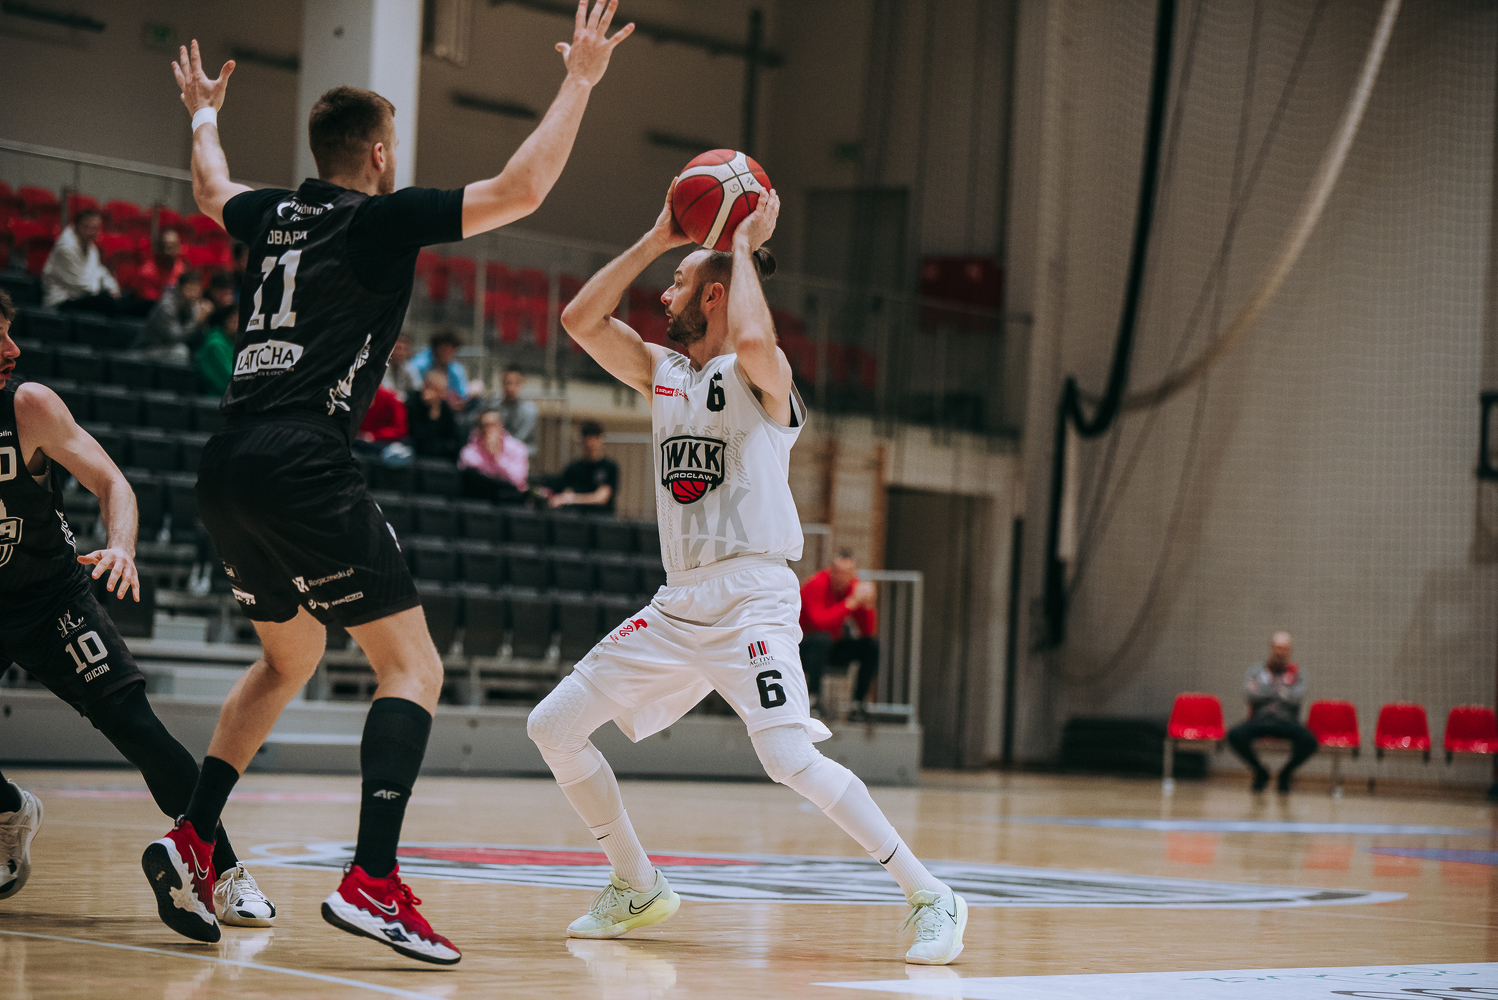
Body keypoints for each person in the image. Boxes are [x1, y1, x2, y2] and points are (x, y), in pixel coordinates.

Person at [147, 10, 633, 962]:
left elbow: (209, 190)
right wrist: (579, 80)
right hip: (303, 460)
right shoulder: (380, 218)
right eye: (393, 145)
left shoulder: (274, 215)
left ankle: (194, 835)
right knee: (413, 669)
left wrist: (205, 113)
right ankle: (372, 879)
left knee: (289, 659)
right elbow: (522, 189)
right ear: (378, 153)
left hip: (227, 461)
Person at [530, 182, 967, 965]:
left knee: (787, 759)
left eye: (678, 283)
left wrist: (736, 244)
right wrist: (660, 237)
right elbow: (578, 320)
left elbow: (758, 338)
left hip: (753, 600)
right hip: (679, 604)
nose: (664, 294)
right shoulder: (663, 372)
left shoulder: (762, 377)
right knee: (551, 727)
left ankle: (932, 895)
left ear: (717, 296)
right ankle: (637, 885)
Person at [0, 290, 273, 925]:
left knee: (137, 729)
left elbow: (112, 482)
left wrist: (121, 546)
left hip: (50, 598)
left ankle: (224, 870)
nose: (13, 348)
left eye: (11, 332)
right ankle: (11, 809)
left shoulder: (28, 406)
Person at [1226, 631, 1319, 793]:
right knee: (1234, 735)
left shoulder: (1298, 673)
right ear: (1271, 648)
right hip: (1260, 720)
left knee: (1309, 741)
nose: (1279, 652)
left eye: (1283, 649)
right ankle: (1260, 771)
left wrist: (1266, 691)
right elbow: (1250, 694)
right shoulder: (1256, 671)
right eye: (1277, 648)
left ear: (1289, 650)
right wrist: (1282, 691)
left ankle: (1285, 773)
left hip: (1287, 722)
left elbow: (1296, 698)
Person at [799, 549, 880, 716]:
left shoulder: (853, 588)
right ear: (831, 571)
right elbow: (818, 622)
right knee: (822, 639)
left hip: (831, 646)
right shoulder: (816, 584)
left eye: (845, 573)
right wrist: (849, 604)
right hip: (804, 646)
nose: (840, 578)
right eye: (837, 572)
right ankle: (814, 698)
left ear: (852, 574)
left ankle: (858, 704)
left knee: (871, 647)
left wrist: (868, 606)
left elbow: (867, 631)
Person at [41, 208, 120, 314]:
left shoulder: (91, 248)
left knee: (123, 301)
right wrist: (105, 292)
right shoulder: (66, 247)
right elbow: (82, 286)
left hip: (81, 299)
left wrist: (113, 289)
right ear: (77, 227)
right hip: (60, 303)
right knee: (106, 302)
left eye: (95, 228)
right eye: (86, 227)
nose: (92, 232)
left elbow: (101, 272)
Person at [536, 420, 618, 515]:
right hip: (575, 518)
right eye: (587, 440)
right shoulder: (573, 468)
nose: (590, 444)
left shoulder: (609, 468)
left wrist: (572, 498)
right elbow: (563, 489)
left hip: (601, 518)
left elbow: (601, 498)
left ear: (600, 439)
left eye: (594, 439)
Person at [458, 409, 528, 502]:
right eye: (484, 426)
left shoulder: (517, 448)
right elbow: (465, 473)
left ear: (501, 425)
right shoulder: (470, 451)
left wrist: (498, 458)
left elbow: (518, 478)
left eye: (492, 425)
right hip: (480, 498)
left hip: (508, 498)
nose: (488, 430)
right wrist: (486, 450)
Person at [140, 268, 210, 358]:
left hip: (168, 350)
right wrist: (197, 321)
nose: (194, 294)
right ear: (180, 289)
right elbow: (175, 338)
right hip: (148, 350)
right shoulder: (167, 307)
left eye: (197, 290)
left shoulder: (194, 307)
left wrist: (204, 323)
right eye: (190, 289)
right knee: (180, 352)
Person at [411, 328, 476, 411]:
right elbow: (416, 391)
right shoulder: (419, 365)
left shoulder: (456, 370)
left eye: (451, 350)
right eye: (444, 349)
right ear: (435, 348)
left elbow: (462, 395)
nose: (448, 353)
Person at [406, 369, 463, 459]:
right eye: (427, 387)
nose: (427, 392)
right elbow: (419, 438)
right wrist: (432, 415)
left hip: (441, 457)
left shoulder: (445, 408)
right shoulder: (413, 403)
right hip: (418, 454)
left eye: (434, 389)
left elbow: (455, 439)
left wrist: (435, 409)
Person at [195, 302, 238, 396]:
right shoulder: (215, 345)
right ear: (226, 320)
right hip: (215, 399)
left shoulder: (239, 344)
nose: (237, 325)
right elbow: (228, 380)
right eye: (234, 320)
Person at [493, 365, 538, 455]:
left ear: (521, 384)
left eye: (515, 383)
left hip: (520, 453)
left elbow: (519, 438)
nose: (509, 388)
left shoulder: (529, 410)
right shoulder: (495, 406)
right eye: (507, 383)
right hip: (497, 451)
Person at [134, 229, 186, 304]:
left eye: (173, 246)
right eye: (167, 247)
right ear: (159, 249)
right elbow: (148, 302)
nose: (170, 252)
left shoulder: (181, 267)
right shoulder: (147, 271)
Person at [382, 329, 421, 397]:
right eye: (398, 348)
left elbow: (417, 389)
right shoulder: (382, 367)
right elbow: (385, 390)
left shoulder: (411, 368)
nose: (401, 353)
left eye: (405, 349)